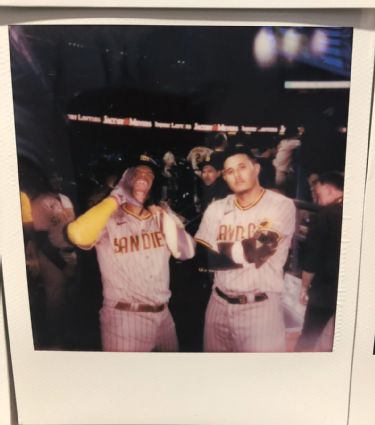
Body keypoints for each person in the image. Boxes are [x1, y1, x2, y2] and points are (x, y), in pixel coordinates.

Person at [66, 154, 195, 352]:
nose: (144, 175)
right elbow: (77, 235)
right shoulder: (108, 217)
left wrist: (163, 213)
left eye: (149, 173)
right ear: (124, 179)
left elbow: (187, 252)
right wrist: (116, 198)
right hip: (124, 319)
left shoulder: (161, 215)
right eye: (136, 172)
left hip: (164, 317)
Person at [195, 145, 296, 352]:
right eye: (230, 171)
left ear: (256, 168)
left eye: (242, 167)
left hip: (260, 307)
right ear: (224, 177)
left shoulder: (280, 204)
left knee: (259, 379)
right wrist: (241, 251)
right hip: (218, 304)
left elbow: (260, 248)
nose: (237, 175)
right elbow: (205, 259)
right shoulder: (216, 208)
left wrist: (222, 251)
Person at [296, 172, 344, 352]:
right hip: (350, 290)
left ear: (330, 189)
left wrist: (304, 286)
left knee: (309, 335)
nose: (315, 197)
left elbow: (312, 259)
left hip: (324, 290)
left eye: (318, 192)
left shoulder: (324, 215)